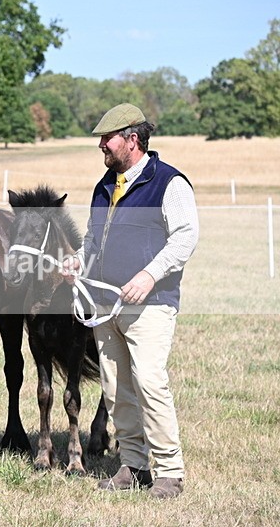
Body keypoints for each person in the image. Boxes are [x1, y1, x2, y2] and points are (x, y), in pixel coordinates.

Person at [63, 103, 199, 499]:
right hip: (105, 304)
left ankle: (170, 472)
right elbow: (92, 238)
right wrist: (78, 261)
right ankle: (134, 466)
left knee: (150, 383)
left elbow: (186, 237)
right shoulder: (105, 184)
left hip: (150, 303)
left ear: (132, 140)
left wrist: (149, 274)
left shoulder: (169, 184)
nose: (101, 145)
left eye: (107, 138)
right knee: (116, 386)